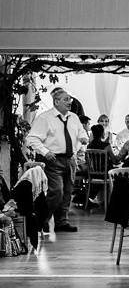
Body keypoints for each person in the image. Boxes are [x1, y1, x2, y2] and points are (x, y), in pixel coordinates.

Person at [25, 87, 89, 233]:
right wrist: (45, 151)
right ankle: (41, 219)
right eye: (66, 99)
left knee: (67, 192)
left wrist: (83, 137)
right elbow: (32, 138)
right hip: (53, 160)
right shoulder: (44, 118)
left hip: (70, 159)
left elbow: (81, 131)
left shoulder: (73, 117)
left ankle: (62, 222)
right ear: (56, 101)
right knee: (56, 191)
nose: (70, 102)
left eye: (70, 99)